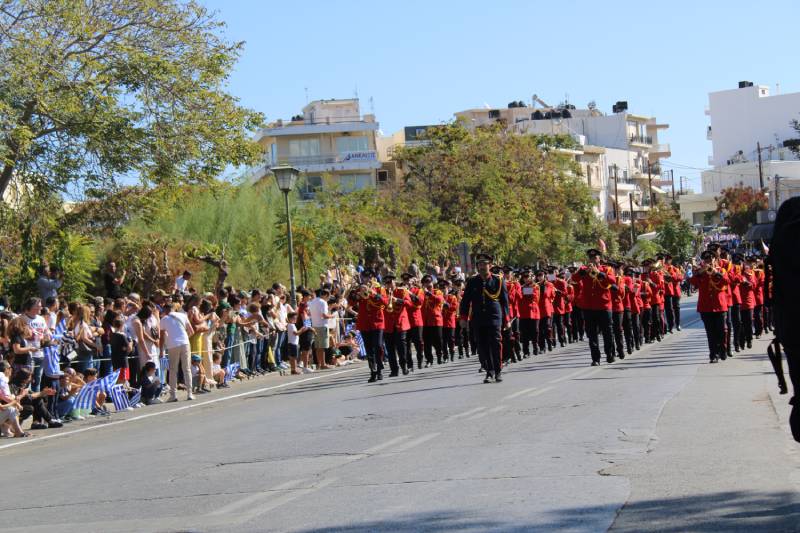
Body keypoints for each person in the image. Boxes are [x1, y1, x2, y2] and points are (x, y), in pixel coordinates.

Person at [459, 253, 509, 384]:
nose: (482, 266)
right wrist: (463, 317)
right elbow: (465, 301)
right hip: (478, 318)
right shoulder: (472, 282)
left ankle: (497, 371)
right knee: (482, 345)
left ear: (490, 265)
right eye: (479, 264)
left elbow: (504, 301)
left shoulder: (498, 280)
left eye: (484, 264)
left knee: (496, 343)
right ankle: (489, 371)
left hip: (494, 316)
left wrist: (507, 319)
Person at [575, 248, 616, 366]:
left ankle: (609, 354)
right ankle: (595, 359)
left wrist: (599, 272)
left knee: (608, 332)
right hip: (588, 306)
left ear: (599, 258)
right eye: (591, 258)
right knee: (591, 334)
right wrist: (582, 272)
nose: (593, 259)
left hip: (604, 305)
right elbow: (574, 280)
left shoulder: (606, 269)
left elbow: (613, 280)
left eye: (595, 257)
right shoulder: (583, 269)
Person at [691, 250, 730, 363]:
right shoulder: (700, 272)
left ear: (715, 259)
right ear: (704, 261)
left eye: (711, 259)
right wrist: (699, 273)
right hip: (705, 307)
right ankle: (713, 354)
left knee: (722, 331)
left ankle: (723, 349)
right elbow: (692, 282)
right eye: (706, 259)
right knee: (711, 332)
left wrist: (715, 273)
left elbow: (726, 281)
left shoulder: (721, 270)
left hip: (719, 305)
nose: (709, 261)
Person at [160, 302, 195, 402]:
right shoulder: (183, 315)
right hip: (185, 343)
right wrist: (184, 339)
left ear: (166, 310)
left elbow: (162, 337)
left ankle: (173, 395)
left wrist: (161, 350)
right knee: (187, 368)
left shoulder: (164, 319)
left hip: (172, 345)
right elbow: (191, 331)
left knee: (173, 370)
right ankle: (190, 393)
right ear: (173, 309)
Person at [382, 273, 413, 376]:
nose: (389, 284)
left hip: (400, 323)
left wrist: (398, 300)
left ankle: (404, 366)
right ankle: (394, 370)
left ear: (394, 282)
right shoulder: (382, 293)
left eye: (390, 282)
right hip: (388, 325)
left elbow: (409, 304)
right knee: (390, 349)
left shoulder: (402, 291)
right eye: (386, 283)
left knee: (401, 348)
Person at [308, 289, 335, 371]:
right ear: (325, 295)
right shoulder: (323, 302)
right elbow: (324, 315)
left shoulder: (312, 301)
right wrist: (331, 316)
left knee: (318, 346)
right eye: (328, 296)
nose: (328, 298)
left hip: (315, 325)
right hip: (322, 325)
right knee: (322, 346)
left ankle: (319, 364)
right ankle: (323, 364)